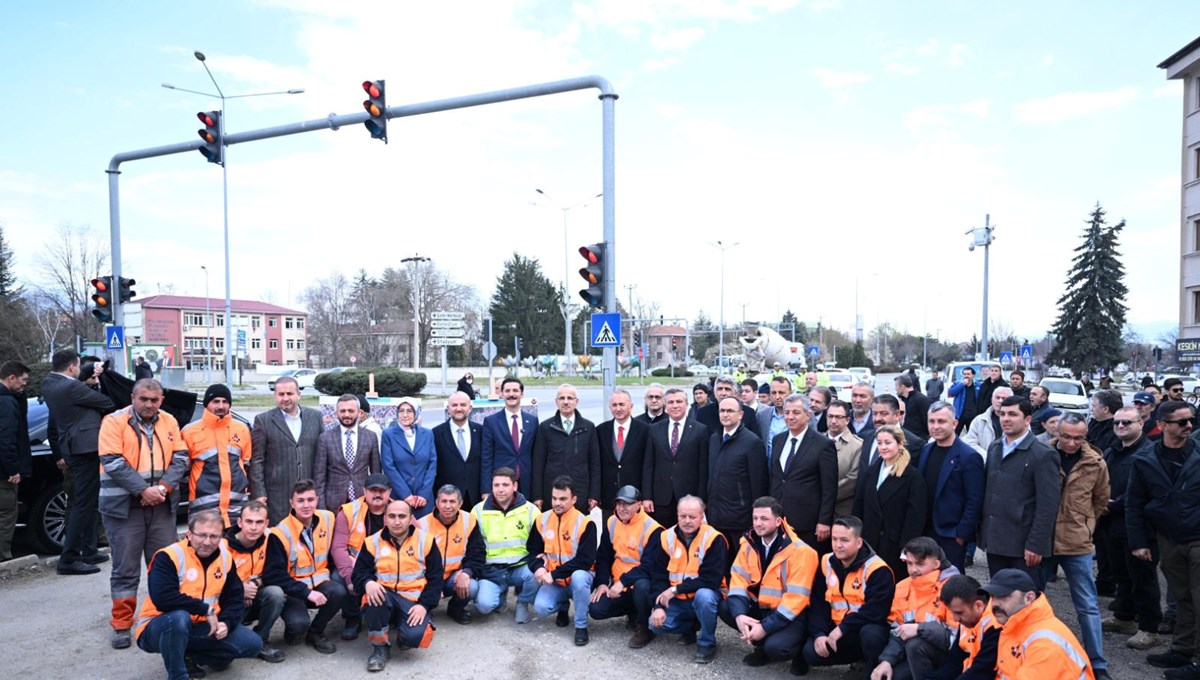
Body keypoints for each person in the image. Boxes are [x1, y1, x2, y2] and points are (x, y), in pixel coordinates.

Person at [99, 378, 189, 650]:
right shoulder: (114, 422)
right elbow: (112, 461)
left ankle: (162, 614)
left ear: (161, 400)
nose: (149, 404)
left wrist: (163, 487)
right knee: (125, 568)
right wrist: (142, 490)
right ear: (133, 397)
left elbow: (181, 457)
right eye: (144, 399)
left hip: (161, 505)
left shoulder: (170, 421)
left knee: (164, 565)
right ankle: (122, 623)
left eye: (154, 400)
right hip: (123, 508)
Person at [135, 509, 262, 679]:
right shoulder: (169, 556)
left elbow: (234, 596)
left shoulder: (225, 557)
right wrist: (205, 609)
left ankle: (190, 655)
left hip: (202, 626)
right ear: (189, 534)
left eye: (214, 536)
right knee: (179, 619)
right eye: (201, 535)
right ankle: (178, 675)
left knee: (252, 644)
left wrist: (226, 623)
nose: (207, 542)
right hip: (159, 626)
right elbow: (162, 598)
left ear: (221, 537)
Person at [1127, 401, 1200, 678]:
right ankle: (1182, 650)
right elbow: (1134, 503)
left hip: (1198, 537)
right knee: (1182, 597)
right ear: (1163, 425)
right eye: (1182, 422)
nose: (1189, 426)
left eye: (1190, 420)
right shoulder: (1146, 460)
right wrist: (1138, 541)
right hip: (1169, 538)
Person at [1041, 412, 1110, 677]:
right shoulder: (1042, 454)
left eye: (1078, 438)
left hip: (1077, 542)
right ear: (1057, 432)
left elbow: (1101, 500)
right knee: (1034, 600)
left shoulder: (1096, 463)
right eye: (1067, 436)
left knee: (1088, 606)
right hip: (1043, 541)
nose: (1072, 443)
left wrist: (1086, 525)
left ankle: (1098, 664)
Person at [720, 496, 819, 673]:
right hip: (762, 607)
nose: (758, 524)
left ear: (778, 521)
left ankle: (800, 653)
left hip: (791, 615)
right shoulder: (749, 544)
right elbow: (738, 580)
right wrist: (740, 615)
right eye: (755, 518)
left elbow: (795, 600)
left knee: (778, 648)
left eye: (764, 519)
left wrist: (765, 627)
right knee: (727, 607)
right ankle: (761, 647)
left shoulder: (802, 552)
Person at [42, 349, 114, 574]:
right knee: (83, 503)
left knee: (89, 501)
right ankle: (70, 559)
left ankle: (89, 550)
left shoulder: (49, 382)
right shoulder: (73, 387)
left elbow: (77, 380)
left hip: (74, 447)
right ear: (72, 367)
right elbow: (106, 401)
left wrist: (91, 371)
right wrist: (97, 382)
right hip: (85, 449)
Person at [353, 498, 442, 672]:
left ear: (411, 519)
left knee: (416, 637)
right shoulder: (372, 542)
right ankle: (380, 648)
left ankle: (403, 632)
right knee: (373, 597)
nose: (397, 521)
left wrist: (424, 606)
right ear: (385, 518)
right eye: (392, 516)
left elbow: (436, 578)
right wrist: (367, 582)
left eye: (402, 516)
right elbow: (358, 574)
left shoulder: (426, 541)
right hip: (383, 595)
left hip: (412, 600)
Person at [979, 396, 1060, 584]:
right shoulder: (995, 447)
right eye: (1002, 414)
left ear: (1027, 420)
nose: (1006, 419)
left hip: (1024, 546)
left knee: (1025, 603)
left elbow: (1048, 506)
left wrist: (1036, 544)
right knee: (1000, 599)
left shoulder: (1043, 454)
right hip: (996, 542)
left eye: (1013, 414)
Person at [1099, 405, 1161, 649]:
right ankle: (1124, 616)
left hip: (1139, 527)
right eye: (1117, 423)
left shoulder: (1150, 452)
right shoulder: (1112, 451)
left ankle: (1149, 628)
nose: (1121, 427)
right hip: (1111, 524)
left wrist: (1114, 505)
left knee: (1143, 578)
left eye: (1127, 422)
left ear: (1141, 424)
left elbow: (1147, 491)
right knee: (1121, 574)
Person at [801, 516, 895, 675]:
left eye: (844, 540)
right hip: (838, 629)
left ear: (858, 543)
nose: (838, 545)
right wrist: (819, 634)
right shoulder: (826, 562)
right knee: (811, 652)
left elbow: (876, 612)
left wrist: (843, 628)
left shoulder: (877, 569)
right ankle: (858, 661)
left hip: (866, 630)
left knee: (871, 635)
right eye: (834, 539)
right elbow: (819, 603)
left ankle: (871, 669)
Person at [263, 479, 348, 654]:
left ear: (317, 500)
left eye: (310, 500)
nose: (306, 505)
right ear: (291, 503)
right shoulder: (280, 533)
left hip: (320, 581)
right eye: (300, 501)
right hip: (293, 590)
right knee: (298, 626)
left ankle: (316, 632)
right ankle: (297, 629)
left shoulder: (328, 518)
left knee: (339, 590)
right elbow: (274, 575)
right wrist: (306, 592)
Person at [648, 495, 727, 664]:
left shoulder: (714, 538)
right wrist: (658, 606)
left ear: (702, 516)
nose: (687, 521)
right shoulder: (666, 537)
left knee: (704, 597)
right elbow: (659, 576)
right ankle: (691, 626)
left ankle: (707, 642)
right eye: (683, 516)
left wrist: (675, 589)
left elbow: (710, 580)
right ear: (677, 515)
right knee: (654, 625)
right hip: (678, 600)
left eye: (692, 516)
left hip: (706, 595)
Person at [871, 538, 961, 680]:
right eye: (909, 563)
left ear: (936, 564)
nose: (913, 569)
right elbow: (897, 630)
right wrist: (886, 660)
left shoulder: (951, 588)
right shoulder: (902, 587)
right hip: (917, 652)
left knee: (915, 645)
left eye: (920, 564)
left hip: (950, 657)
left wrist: (919, 629)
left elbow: (956, 638)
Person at [984, 569, 1095, 679]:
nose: (994, 604)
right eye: (992, 596)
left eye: (1003, 596)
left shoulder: (1044, 645)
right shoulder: (1013, 624)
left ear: (1029, 598)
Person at [590, 485, 664, 648]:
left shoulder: (653, 529)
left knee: (642, 585)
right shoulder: (611, 521)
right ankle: (633, 610)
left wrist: (622, 582)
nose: (621, 508)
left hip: (639, 584)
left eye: (627, 504)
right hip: (618, 587)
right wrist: (602, 583)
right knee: (595, 610)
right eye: (619, 504)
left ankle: (644, 628)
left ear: (639, 505)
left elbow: (648, 567)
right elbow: (603, 556)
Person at [528, 476, 597, 645]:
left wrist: (554, 573)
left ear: (574, 499)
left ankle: (581, 626)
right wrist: (538, 568)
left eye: (563, 499)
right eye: (554, 498)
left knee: (579, 577)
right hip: (556, 581)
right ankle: (563, 606)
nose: (557, 503)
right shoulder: (541, 520)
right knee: (541, 608)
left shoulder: (585, 523)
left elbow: (585, 561)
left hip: (580, 579)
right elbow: (532, 551)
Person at [917, 401, 984, 572]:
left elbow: (974, 499)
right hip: (925, 529)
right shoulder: (926, 450)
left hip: (950, 534)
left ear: (954, 423)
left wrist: (961, 535)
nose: (935, 426)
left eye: (941, 421)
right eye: (931, 421)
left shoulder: (969, 456)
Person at [853, 426, 927, 576]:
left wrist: (907, 547)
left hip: (894, 545)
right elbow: (859, 503)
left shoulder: (912, 477)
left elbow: (915, 517)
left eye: (888, 442)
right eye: (879, 443)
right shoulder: (872, 471)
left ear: (900, 444)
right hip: (870, 540)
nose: (883, 447)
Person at [708, 396, 770, 575]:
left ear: (741, 414)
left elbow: (758, 484)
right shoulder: (714, 438)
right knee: (719, 566)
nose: (725, 415)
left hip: (740, 518)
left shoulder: (752, 442)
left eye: (730, 411)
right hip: (716, 516)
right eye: (722, 410)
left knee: (742, 567)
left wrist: (755, 516)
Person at [471, 466, 541, 623]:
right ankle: (500, 593)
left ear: (515, 486)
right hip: (491, 570)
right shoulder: (478, 511)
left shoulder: (531, 510)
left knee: (537, 576)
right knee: (484, 606)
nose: (500, 490)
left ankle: (522, 602)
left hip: (520, 567)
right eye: (496, 485)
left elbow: (539, 546)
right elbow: (473, 548)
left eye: (505, 485)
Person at [250, 376, 322, 525]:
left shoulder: (315, 417)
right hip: (278, 495)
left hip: (308, 494)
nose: (285, 398)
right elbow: (257, 460)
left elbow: (322, 455)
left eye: (289, 394)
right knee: (280, 538)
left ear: (298, 394)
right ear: (275, 396)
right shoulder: (263, 421)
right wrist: (259, 493)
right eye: (281, 394)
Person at [769, 393, 837, 550]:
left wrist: (824, 521)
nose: (790, 417)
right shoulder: (778, 440)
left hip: (807, 522)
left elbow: (829, 488)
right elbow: (777, 477)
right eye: (787, 412)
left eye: (796, 412)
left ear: (808, 415)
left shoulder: (823, 444)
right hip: (779, 518)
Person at [222, 499, 286, 663]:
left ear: (266, 523)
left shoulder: (271, 538)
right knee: (221, 663)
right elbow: (212, 583)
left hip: (256, 597)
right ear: (239, 522)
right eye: (249, 521)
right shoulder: (223, 546)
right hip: (228, 603)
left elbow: (275, 573)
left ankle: (260, 640)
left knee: (276, 594)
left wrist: (255, 584)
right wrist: (239, 590)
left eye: (259, 522)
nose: (253, 527)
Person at [330, 474, 393, 641]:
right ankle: (353, 619)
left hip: (390, 567)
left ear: (390, 492)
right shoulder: (349, 512)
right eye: (373, 490)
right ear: (364, 491)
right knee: (338, 576)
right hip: (357, 567)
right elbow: (338, 548)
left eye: (382, 490)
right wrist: (351, 578)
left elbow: (420, 541)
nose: (377, 494)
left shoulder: (399, 510)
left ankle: (393, 614)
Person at [182, 383, 251, 527]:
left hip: (236, 509)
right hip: (204, 509)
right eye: (216, 401)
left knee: (235, 549)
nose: (221, 406)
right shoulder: (189, 432)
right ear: (207, 404)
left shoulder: (241, 429)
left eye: (225, 401)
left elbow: (246, 463)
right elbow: (182, 470)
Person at [418, 484, 484, 625]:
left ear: (460, 503)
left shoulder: (469, 520)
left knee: (472, 586)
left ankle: (455, 609)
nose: (448, 506)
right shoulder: (422, 525)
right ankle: (425, 609)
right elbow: (414, 562)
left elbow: (477, 553)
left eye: (452, 501)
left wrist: (466, 573)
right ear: (436, 503)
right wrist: (433, 586)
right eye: (444, 501)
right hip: (427, 579)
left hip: (453, 578)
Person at [642, 387, 709, 527]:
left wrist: (701, 500)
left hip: (688, 497)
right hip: (661, 498)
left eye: (679, 401)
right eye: (671, 402)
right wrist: (647, 496)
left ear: (686, 404)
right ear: (665, 405)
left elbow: (703, 468)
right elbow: (648, 464)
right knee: (661, 538)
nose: (675, 405)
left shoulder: (700, 430)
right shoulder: (654, 429)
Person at [531, 384, 599, 513]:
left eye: (570, 398)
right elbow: (538, 463)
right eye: (562, 398)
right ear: (556, 402)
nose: (566, 402)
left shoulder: (588, 428)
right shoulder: (545, 427)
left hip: (579, 492)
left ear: (576, 401)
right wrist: (537, 495)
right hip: (552, 492)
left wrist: (594, 494)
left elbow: (595, 463)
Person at [314, 393, 381, 511]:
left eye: (351, 411)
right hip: (333, 504)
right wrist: (322, 510)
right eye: (342, 411)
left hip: (363, 502)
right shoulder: (325, 438)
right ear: (336, 413)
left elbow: (376, 473)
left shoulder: (370, 437)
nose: (346, 415)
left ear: (359, 412)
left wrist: (375, 504)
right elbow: (319, 478)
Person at [597, 388, 649, 521]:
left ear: (631, 406)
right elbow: (596, 465)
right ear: (609, 407)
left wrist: (646, 496)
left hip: (634, 498)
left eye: (622, 404)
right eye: (614, 405)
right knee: (610, 535)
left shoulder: (645, 430)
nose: (618, 409)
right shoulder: (601, 431)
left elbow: (648, 465)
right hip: (609, 498)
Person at [855, 395, 924, 494]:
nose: (877, 418)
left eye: (883, 414)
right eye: (874, 414)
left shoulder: (914, 443)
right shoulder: (864, 437)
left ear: (897, 415)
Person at [480, 377, 538, 496]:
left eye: (515, 391)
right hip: (502, 484)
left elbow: (536, 455)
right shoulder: (491, 422)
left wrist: (538, 493)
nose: (511, 394)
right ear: (501, 394)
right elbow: (486, 457)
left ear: (522, 394)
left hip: (526, 482)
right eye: (507, 391)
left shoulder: (532, 421)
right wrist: (486, 490)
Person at [381, 399, 437, 519]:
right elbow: (388, 467)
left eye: (409, 411)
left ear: (416, 413)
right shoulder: (388, 435)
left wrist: (424, 494)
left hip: (423, 500)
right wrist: (405, 494)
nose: (405, 415)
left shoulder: (427, 434)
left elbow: (432, 465)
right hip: (399, 497)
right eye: (401, 411)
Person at [939, 574, 1000, 679]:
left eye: (959, 613)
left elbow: (982, 670)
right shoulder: (968, 620)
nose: (955, 619)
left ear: (979, 606)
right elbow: (954, 661)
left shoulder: (996, 626)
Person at [0, 361, 30, 562]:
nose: (24, 386)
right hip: (3, 472)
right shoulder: (7, 402)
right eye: (23, 380)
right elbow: (7, 438)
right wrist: (13, 469)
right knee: (6, 514)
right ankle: (4, 557)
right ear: (12, 378)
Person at [433, 391, 483, 509]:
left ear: (470, 408)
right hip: (448, 500)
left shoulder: (481, 431)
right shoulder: (436, 433)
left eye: (463, 405)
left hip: (476, 496)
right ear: (448, 408)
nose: (459, 409)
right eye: (454, 405)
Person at [826, 400, 863, 519]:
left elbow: (852, 479)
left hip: (842, 512)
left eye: (838, 417)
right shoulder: (815, 441)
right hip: (815, 510)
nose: (833, 421)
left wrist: (825, 495)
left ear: (847, 420)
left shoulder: (857, 446)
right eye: (830, 416)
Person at [961, 386, 1012, 456]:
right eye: (997, 398)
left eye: (1004, 398)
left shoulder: (1019, 421)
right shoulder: (979, 421)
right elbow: (970, 442)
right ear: (992, 400)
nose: (1000, 401)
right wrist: (988, 457)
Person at [755, 376, 793, 458]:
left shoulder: (801, 416)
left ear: (790, 393)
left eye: (781, 393)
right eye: (773, 393)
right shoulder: (762, 416)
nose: (777, 397)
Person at [895, 375, 931, 441]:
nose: (895, 388)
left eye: (896, 386)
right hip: (907, 439)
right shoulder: (904, 400)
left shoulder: (921, 399)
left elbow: (927, 420)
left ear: (902, 387)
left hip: (919, 440)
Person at [1087, 389, 1122, 454]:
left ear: (1105, 409)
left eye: (1094, 406)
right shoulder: (1093, 423)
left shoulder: (1119, 430)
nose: (1091, 409)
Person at [947, 367, 979, 436]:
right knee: (954, 435)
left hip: (972, 416)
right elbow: (951, 393)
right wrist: (962, 384)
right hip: (960, 415)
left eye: (968, 374)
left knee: (972, 436)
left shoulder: (977, 386)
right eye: (964, 374)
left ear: (973, 375)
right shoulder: (958, 384)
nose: (966, 376)